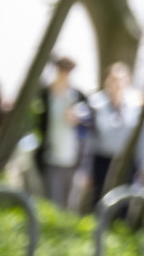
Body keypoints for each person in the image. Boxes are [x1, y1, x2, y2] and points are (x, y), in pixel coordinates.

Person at [36, 55, 89, 210]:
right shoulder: (45, 94)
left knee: (69, 203)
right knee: (52, 201)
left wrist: (79, 118)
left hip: (72, 157)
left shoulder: (77, 95)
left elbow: (89, 119)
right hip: (50, 155)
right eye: (63, 71)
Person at [86, 62, 138, 209]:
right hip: (102, 159)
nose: (117, 84)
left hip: (126, 160)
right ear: (107, 81)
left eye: (121, 79)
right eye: (114, 79)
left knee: (124, 201)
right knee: (101, 199)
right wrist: (87, 169)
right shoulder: (96, 103)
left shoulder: (136, 104)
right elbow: (89, 138)